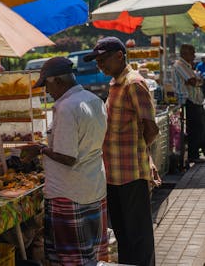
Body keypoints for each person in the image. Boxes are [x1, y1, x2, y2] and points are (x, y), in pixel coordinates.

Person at [23, 56, 109, 265]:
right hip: (92, 188)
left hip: (69, 193)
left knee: (71, 260)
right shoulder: (93, 99)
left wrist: (41, 149)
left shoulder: (66, 108)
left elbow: (68, 157)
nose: (47, 91)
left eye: (47, 85)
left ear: (57, 81)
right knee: (90, 256)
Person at [84, 36, 160, 266]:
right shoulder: (115, 83)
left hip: (131, 174)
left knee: (138, 237)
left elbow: (151, 128)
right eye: (97, 61)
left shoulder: (133, 83)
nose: (100, 65)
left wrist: (136, 151)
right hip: (113, 174)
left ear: (119, 56)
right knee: (123, 235)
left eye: (103, 59)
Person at [173, 44, 205, 163]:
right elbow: (192, 81)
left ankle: (197, 152)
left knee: (200, 127)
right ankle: (193, 155)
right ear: (185, 54)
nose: (194, 55)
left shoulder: (187, 66)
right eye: (192, 53)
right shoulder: (180, 65)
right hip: (189, 100)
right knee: (195, 128)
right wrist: (197, 81)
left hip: (195, 100)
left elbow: (195, 80)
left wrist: (197, 81)